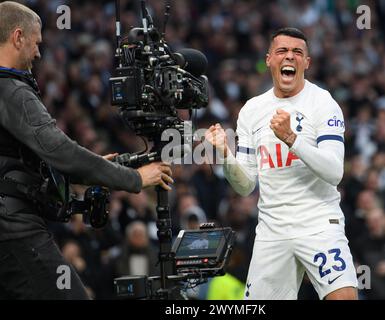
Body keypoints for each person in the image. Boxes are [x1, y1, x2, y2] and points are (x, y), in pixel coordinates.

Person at [0, 2, 173, 300]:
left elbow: (22, 161)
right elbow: (61, 151)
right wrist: (134, 179)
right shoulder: (12, 90)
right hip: (14, 230)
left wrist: (92, 173)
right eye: (36, 43)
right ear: (18, 37)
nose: (39, 53)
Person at [205, 27, 358, 300]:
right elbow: (245, 186)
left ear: (307, 63)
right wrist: (225, 156)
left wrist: (291, 138)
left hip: (319, 223)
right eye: (282, 51)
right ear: (268, 60)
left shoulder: (323, 103)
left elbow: (335, 172)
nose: (290, 57)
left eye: (297, 52)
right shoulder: (252, 110)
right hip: (272, 230)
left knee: (344, 297)